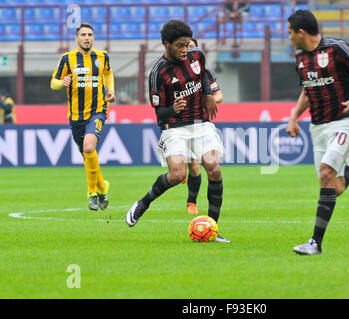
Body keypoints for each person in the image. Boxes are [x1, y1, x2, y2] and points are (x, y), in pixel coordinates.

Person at [286, 10, 349, 255]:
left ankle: (315, 243)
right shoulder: (300, 58)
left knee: (325, 173)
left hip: (344, 122)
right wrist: (293, 117)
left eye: (290, 32)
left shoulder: (337, 49)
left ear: (301, 32)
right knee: (335, 187)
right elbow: (307, 90)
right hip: (318, 127)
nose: (288, 37)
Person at [125, 20, 229, 243]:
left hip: (200, 124)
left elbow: (203, 78)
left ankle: (213, 228)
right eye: (180, 46)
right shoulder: (158, 73)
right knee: (178, 175)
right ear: (166, 44)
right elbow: (159, 114)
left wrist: (209, 94)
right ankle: (143, 203)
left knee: (214, 169)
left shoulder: (197, 56)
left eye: (187, 45)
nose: (185, 50)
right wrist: (173, 108)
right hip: (174, 129)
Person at [51, 22, 115, 211]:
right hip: (76, 116)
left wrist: (110, 90)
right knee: (87, 155)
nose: (87, 38)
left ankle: (92, 194)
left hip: (98, 110)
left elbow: (108, 73)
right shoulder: (67, 59)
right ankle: (103, 188)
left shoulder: (102, 57)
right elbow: (53, 83)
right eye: (83, 35)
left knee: (89, 147)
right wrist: (62, 82)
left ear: (94, 38)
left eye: (90, 35)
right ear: (76, 38)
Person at [183, 37, 224, 215]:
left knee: (208, 165)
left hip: (202, 121)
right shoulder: (176, 71)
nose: (189, 51)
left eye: (192, 47)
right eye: (187, 47)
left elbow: (219, 95)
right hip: (183, 123)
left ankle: (198, 205)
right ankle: (192, 201)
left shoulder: (205, 70)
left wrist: (208, 99)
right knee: (192, 166)